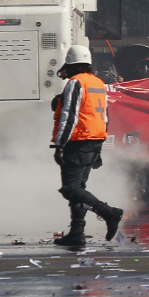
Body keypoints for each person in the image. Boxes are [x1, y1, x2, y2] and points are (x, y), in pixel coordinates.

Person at [51, 45, 125, 247]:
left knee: (71, 188)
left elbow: (70, 116)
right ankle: (77, 232)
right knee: (79, 187)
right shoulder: (98, 83)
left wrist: (59, 144)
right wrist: (99, 146)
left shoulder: (76, 83)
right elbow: (103, 116)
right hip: (94, 140)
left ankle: (109, 213)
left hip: (78, 141)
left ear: (72, 65)